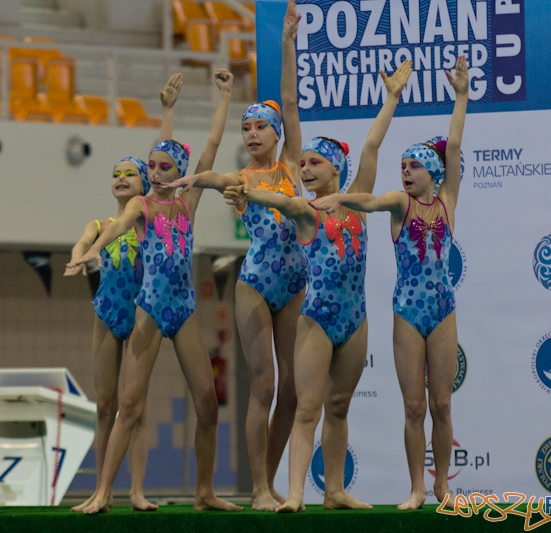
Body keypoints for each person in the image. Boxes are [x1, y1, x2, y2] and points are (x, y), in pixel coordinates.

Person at [220, 58, 410, 513]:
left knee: (339, 406)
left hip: (355, 317)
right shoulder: (306, 211)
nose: (304, 169)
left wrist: (391, 98)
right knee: (307, 407)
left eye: (314, 163)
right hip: (317, 317)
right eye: (302, 163)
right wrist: (246, 192)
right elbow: (277, 199)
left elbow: (372, 145)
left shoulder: (357, 201)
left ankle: (335, 490)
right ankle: (295, 494)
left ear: (335, 169)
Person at [68, 69, 242, 514]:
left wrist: (225, 95)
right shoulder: (141, 205)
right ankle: (103, 492)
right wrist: (93, 250)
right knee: (128, 404)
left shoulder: (187, 202)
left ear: (180, 172)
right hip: (148, 308)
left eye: (166, 168)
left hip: (183, 308)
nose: (158, 173)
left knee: (208, 404)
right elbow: (118, 227)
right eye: (153, 168)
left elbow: (210, 146)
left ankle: (204, 492)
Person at [164, 0, 306, 509]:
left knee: (293, 389)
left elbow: (289, 99)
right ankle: (259, 489)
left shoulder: (292, 165)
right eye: (245, 129)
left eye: (259, 127)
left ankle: (269, 480)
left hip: (296, 281)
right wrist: (194, 179)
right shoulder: (240, 180)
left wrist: (287, 41)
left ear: (276, 133)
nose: (251, 134)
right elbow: (214, 174)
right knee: (264, 384)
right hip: (256, 283)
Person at [312, 55, 469, 510]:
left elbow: (455, 147)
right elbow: (372, 200)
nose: (405, 172)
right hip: (408, 312)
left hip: (442, 309)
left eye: (413, 166)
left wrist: (460, 97)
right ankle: (417, 488)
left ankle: (442, 487)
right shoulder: (401, 203)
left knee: (442, 405)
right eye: (402, 166)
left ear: (432, 174)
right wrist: (343, 198)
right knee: (414, 407)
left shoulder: (447, 202)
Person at [64, 74, 183, 512]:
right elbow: (84, 241)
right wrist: (80, 256)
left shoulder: (148, 218)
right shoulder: (99, 225)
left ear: (144, 182)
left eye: (130, 173)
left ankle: (136, 490)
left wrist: (167, 112)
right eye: (115, 175)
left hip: (139, 315)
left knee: (137, 407)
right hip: (107, 313)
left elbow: (165, 161)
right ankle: (103, 489)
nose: (120, 179)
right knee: (104, 406)